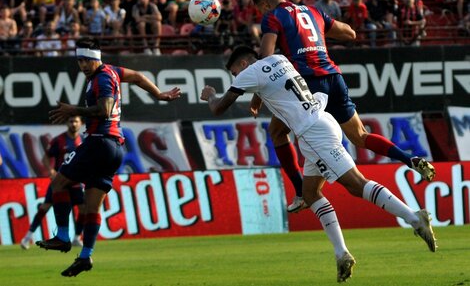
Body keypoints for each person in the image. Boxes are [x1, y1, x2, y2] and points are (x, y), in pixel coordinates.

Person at [200, 45, 437, 283]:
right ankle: (341, 253)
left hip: (312, 133)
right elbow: (270, 85)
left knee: (356, 184)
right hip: (322, 117)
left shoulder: (249, 73)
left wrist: (210, 95)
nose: (236, 79)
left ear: (242, 65)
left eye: (234, 73)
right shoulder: (279, 59)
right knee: (311, 193)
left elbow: (219, 108)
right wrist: (257, 98)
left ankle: (414, 218)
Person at [251, 0, 435, 213]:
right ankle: (409, 159)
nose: (261, 14)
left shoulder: (273, 16)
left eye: (260, 9)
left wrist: (258, 95)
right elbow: (350, 33)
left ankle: (300, 191)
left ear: (266, 3)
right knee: (360, 135)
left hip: (307, 83)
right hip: (333, 77)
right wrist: (315, 38)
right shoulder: (313, 11)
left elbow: (266, 57)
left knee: (277, 132)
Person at [35, 36, 181, 277]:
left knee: (58, 182)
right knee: (92, 207)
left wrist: (74, 110)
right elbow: (137, 76)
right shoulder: (112, 71)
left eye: (85, 60)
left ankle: (62, 236)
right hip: (115, 148)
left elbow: (104, 110)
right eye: (79, 60)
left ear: (95, 60)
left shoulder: (101, 79)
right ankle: (85, 256)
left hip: (99, 141)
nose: (81, 65)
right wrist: (157, 94)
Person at [20, 116, 85, 250]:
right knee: (45, 207)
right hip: (60, 182)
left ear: (81, 124)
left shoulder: (84, 141)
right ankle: (27, 237)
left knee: (84, 209)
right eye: (71, 121)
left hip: (75, 182)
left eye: (76, 121)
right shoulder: (59, 140)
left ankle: (77, 237)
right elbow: (45, 158)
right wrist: (50, 171)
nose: (73, 124)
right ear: (67, 123)